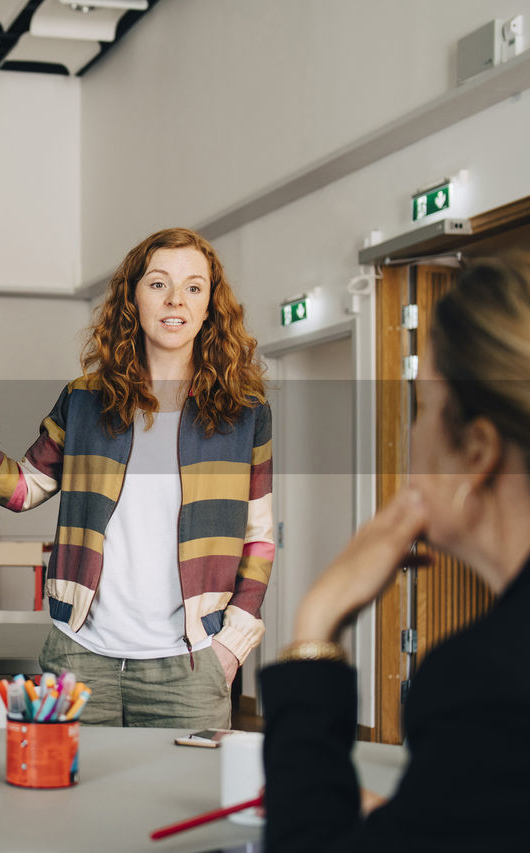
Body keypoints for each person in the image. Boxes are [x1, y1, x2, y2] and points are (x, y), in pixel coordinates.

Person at [0, 227, 272, 729]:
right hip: (80, 658)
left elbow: (259, 536)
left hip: (190, 663)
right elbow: (24, 487)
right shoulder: (85, 400)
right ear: (133, 298)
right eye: (158, 283)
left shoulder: (244, 413)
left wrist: (232, 641)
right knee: (71, 802)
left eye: (193, 287)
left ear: (210, 305)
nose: (175, 300)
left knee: (182, 805)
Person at [261, 253, 530, 851]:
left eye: (422, 408)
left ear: (478, 450)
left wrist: (316, 622)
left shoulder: (481, 682)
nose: (413, 433)